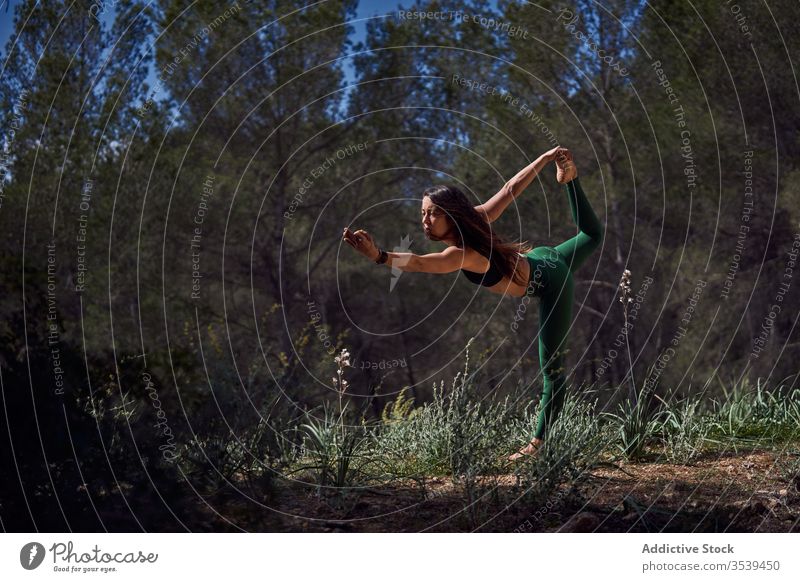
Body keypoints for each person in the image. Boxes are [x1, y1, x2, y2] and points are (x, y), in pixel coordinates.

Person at [342, 147, 603, 461]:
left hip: (552, 283)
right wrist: (545, 161)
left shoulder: (462, 253)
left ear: (451, 215)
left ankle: (537, 447)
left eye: (432, 213)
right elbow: (510, 189)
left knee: (552, 369)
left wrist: (379, 256)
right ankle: (570, 181)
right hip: (545, 257)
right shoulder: (475, 221)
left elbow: (421, 264)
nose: (425, 220)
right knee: (593, 234)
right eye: (423, 212)